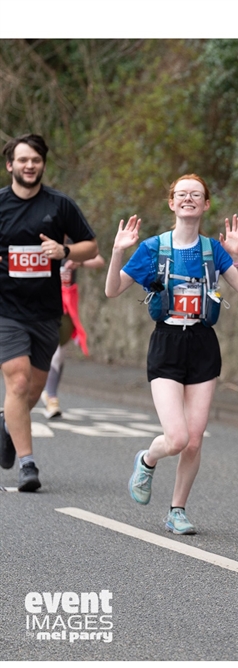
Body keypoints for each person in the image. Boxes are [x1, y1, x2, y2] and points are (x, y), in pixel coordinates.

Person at [105, 173, 238, 534]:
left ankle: (177, 509)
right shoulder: (154, 249)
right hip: (167, 343)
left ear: (205, 205)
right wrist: (117, 251)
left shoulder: (212, 251)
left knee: (195, 436)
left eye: (197, 195)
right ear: (172, 203)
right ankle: (147, 458)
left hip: (203, 344)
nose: (189, 199)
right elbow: (113, 290)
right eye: (182, 194)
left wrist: (237, 257)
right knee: (177, 437)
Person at [0, 134, 99, 492]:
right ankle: (28, 465)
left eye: (36, 160)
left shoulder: (59, 204)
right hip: (6, 310)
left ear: (42, 164)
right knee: (19, 381)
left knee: (33, 389)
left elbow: (91, 247)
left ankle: (7, 422)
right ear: (10, 165)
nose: (30, 166)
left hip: (46, 312)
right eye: (23, 160)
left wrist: (65, 251)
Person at [41, 245, 106, 418]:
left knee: (60, 351)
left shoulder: (73, 244)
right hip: (44, 304)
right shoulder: (41, 241)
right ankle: (50, 395)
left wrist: (79, 262)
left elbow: (99, 260)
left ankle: (50, 392)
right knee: (50, 351)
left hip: (68, 305)